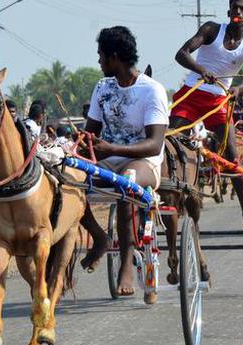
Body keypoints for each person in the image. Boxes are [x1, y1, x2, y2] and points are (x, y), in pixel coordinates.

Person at [79, 26, 169, 297]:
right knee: (68, 181)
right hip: (107, 158)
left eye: (100, 55)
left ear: (114, 57)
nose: (98, 61)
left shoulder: (152, 90)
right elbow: (91, 131)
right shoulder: (102, 87)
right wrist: (81, 146)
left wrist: (111, 149)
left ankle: (127, 261)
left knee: (125, 184)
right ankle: (99, 237)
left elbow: (154, 143)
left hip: (145, 163)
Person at [170, 0, 243, 229]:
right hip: (191, 93)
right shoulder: (211, 29)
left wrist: (240, 88)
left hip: (220, 100)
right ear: (229, 11)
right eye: (235, 8)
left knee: (231, 155)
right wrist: (201, 70)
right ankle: (171, 196)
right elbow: (181, 54)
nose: (238, 12)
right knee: (171, 141)